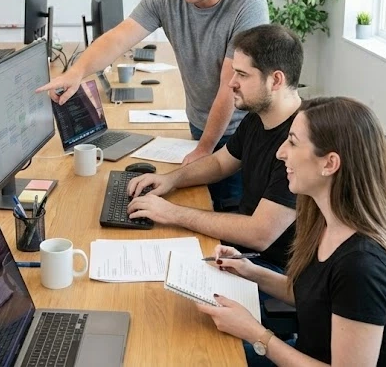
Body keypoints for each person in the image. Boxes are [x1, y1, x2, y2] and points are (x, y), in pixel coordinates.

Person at [38, 0, 268, 209]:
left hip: (241, 132)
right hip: (200, 123)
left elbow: (229, 86)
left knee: (229, 209)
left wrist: (205, 149)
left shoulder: (247, 6)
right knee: (196, 202)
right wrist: (76, 72)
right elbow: (118, 39)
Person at [196, 97, 386, 367]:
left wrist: (255, 333)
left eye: (292, 142)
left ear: (329, 164)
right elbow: (316, 296)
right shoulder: (326, 220)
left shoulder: (361, 267)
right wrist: (249, 271)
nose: (280, 153)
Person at [126, 24, 302, 270]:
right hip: (242, 250)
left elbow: (260, 234)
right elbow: (220, 162)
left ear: (276, 80)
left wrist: (172, 213)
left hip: (271, 268)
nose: (231, 83)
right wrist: (170, 180)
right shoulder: (258, 117)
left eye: (242, 75)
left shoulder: (301, 141)